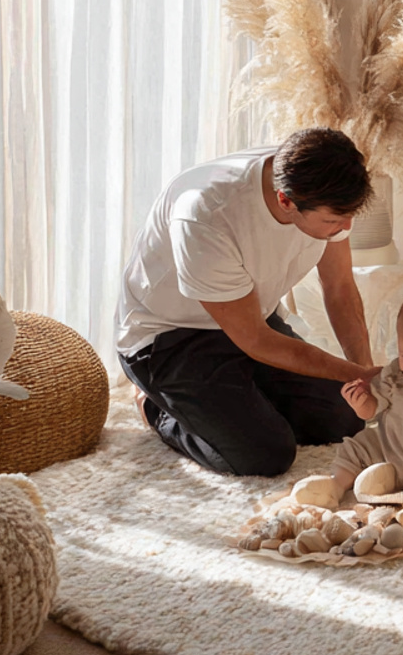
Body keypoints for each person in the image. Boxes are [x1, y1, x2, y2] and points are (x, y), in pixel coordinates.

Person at [115, 127, 379, 477]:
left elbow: (340, 288)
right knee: (264, 454)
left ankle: (236, 401)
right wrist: (356, 373)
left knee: (346, 416)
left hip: (249, 315)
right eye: (333, 221)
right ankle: (154, 405)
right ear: (286, 201)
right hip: (169, 338)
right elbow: (255, 340)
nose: (344, 227)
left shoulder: (319, 181)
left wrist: (365, 378)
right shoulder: (205, 214)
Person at [293, 289, 403, 518]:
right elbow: (372, 411)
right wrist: (360, 403)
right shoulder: (394, 373)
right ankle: (335, 484)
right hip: (387, 450)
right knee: (358, 444)